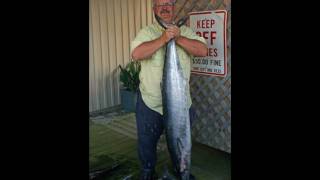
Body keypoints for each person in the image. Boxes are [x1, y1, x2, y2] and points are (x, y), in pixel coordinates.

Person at [130, 0, 207, 179]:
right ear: (154, 9)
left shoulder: (186, 32)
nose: (164, 7)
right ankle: (147, 172)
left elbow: (202, 50)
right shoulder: (147, 32)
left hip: (180, 105)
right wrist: (164, 38)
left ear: (173, 7)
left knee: (177, 140)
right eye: (160, 4)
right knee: (147, 143)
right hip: (151, 104)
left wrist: (177, 38)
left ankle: (179, 169)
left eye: (168, 3)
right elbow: (136, 54)